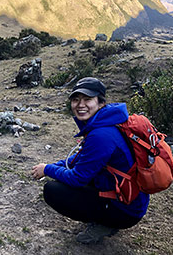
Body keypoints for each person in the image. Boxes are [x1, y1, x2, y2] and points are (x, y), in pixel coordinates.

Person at [31, 77, 150, 244]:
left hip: (126, 210)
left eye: (87, 99)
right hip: (129, 198)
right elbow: (84, 157)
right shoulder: (107, 122)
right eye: (76, 99)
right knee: (68, 177)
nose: (80, 104)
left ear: (100, 103)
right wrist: (56, 165)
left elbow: (77, 178)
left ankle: (106, 223)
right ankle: (107, 215)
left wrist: (48, 169)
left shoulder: (101, 134)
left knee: (52, 190)